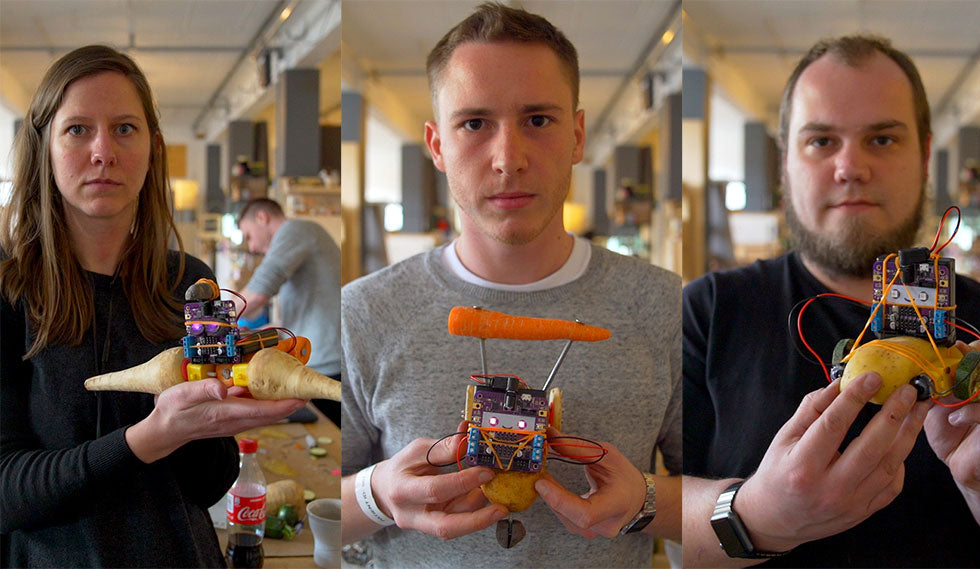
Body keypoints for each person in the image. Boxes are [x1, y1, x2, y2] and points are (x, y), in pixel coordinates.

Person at [338, 3, 681, 568]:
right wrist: (376, 496)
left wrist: (645, 501)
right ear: (438, 146)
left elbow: (725, 500)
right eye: (474, 123)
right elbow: (318, 509)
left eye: (538, 121)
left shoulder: (668, 305)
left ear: (576, 135)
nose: (508, 159)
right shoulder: (364, 310)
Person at [682, 35, 980, 567]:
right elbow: (654, 517)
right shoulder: (706, 311)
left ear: (925, 154)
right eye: (821, 141)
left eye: (882, 140)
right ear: (784, 162)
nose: (851, 168)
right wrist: (758, 515)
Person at [0, 45, 306, 567]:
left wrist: (217, 420)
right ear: (45, 146)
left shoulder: (190, 283)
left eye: (124, 128)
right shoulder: (10, 287)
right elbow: (7, 492)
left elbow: (205, 485)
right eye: (77, 129)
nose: (104, 151)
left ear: (152, 147)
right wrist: (148, 438)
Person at [236, 197, 342, 425]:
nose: (252, 246)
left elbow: (257, 293)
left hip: (325, 363)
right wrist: (263, 333)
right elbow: (304, 313)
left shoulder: (295, 230)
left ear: (262, 218)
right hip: (319, 357)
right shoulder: (305, 233)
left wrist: (212, 320)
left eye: (248, 235)